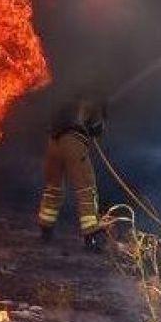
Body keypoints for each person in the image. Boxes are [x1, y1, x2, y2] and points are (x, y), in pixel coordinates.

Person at [37, 95, 108, 251]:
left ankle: (45, 230)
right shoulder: (93, 101)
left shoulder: (65, 96)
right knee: (86, 188)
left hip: (53, 143)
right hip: (74, 142)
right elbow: (97, 128)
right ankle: (91, 238)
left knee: (53, 188)